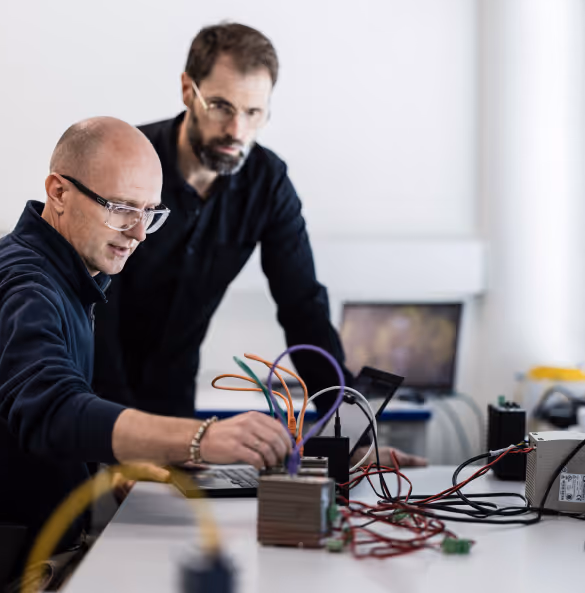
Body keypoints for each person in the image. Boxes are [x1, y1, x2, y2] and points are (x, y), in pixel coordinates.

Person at [0, 117, 292, 554]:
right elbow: (53, 410)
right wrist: (203, 438)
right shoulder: (24, 288)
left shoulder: (59, 275)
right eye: (122, 208)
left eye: (150, 212)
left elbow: (40, 434)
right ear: (59, 192)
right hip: (9, 559)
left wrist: (112, 468)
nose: (140, 232)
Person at [93, 24, 426, 468]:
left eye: (254, 112)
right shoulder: (131, 160)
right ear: (187, 90)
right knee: (92, 528)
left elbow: (303, 306)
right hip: (94, 391)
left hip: (173, 393)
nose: (237, 130)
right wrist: (129, 437)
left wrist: (344, 431)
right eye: (222, 107)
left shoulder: (268, 183)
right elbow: (97, 303)